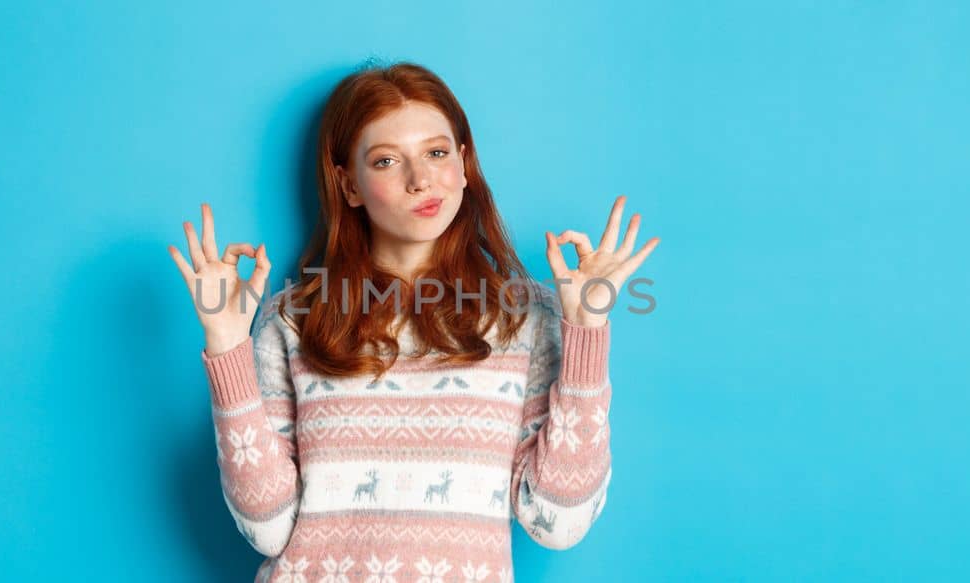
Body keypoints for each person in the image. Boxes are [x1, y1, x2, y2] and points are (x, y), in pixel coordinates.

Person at [168, 61, 659, 583]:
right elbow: (268, 529)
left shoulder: (528, 320)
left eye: (437, 152)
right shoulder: (294, 321)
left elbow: (557, 522)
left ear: (465, 164)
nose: (420, 179)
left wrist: (585, 331)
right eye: (385, 161)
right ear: (348, 184)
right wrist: (226, 346)